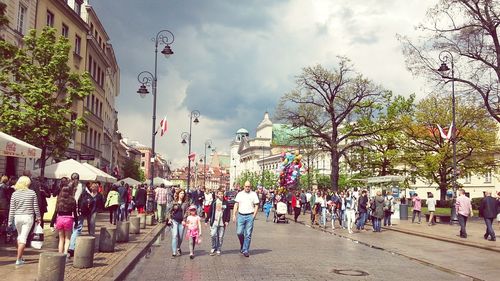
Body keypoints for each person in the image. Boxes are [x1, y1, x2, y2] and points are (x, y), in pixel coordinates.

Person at [8, 176, 41, 265]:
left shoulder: (15, 194)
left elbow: (12, 208)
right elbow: (35, 207)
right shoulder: (32, 193)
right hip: (28, 217)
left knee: (20, 236)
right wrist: (38, 217)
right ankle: (18, 259)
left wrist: (10, 221)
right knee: (23, 238)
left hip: (17, 217)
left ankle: (21, 257)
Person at [232, 181, 259, 257]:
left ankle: (245, 250)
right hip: (241, 215)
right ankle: (243, 244)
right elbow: (236, 204)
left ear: (250, 187)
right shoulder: (240, 194)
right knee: (239, 232)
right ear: (243, 186)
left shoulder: (253, 194)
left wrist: (254, 215)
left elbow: (257, 205)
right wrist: (234, 214)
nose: (247, 188)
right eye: (246, 186)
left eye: (249, 186)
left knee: (248, 234)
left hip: (250, 215)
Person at [50, 185, 78, 259]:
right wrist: (76, 222)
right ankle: (65, 253)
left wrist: (51, 223)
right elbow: (75, 212)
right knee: (67, 239)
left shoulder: (59, 200)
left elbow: (55, 212)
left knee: (61, 239)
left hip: (60, 219)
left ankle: (59, 255)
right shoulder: (72, 200)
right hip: (69, 219)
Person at [205, 188, 230, 256]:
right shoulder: (214, 202)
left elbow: (228, 213)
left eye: (222, 194)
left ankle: (219, 249)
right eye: (219, 194)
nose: (221, 195)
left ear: (223, 194)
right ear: (217, 194)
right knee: (213, 235)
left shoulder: (226, 202)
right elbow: (210, 211)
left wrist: (227, 220)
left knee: (220, 237)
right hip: (215, 221)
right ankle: (213, 247)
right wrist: (206, 220)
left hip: (222, 222)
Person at [171, 189, 188, 258]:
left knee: (180, 237)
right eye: (181, 193)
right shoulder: (174, 202)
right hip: (174, 221)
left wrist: (184, 220)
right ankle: (174, 252)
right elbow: (169, 210)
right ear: (178, 194)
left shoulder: (186, 203)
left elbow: (187, 212)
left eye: (183, 193)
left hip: (182, 222)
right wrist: (169, 218)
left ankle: (178, 247)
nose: (182, 194)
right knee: (175, 236)